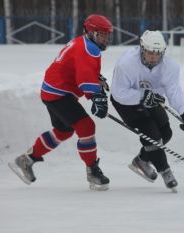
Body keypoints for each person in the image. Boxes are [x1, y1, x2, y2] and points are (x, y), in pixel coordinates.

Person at [8, 14, 113, 191]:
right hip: (59, 94)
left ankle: (26, 160)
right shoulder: (88, 49)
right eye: (101, 34)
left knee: (63, 131)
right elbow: (84, 78)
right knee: (86, 127)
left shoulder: (83, 43)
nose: (105, 38)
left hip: (52, 91)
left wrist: (95, 84)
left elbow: (80, 70)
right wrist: (96, 96)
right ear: (90, 32)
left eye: (107, 35)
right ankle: (92, 171)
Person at [110, 30, 184, 192]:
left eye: (158, 53)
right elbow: (119, 94)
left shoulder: (170, 66)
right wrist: (142, 96)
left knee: (165, 133)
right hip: (126, 101)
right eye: (150, 52)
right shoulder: (126, 64)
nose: (154, 57)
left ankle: (141, 161)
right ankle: (165, 171)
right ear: (142, 48)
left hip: (152, 98)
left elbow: (174, 91)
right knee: (152, 135)